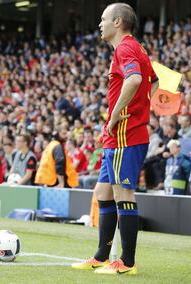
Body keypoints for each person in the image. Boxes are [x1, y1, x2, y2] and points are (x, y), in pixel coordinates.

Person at [72, 3, 159, 275]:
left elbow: (134, 81)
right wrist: (142, 106)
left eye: (103, 19)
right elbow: (154, 82)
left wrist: (117, 115)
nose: (100, 24)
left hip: (126, 134)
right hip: (118, 136)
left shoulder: (126, 48)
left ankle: (127, 262)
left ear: (118, 22)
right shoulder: (133, 48)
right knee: (103, 192)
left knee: (124, 194)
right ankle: (101, 255)